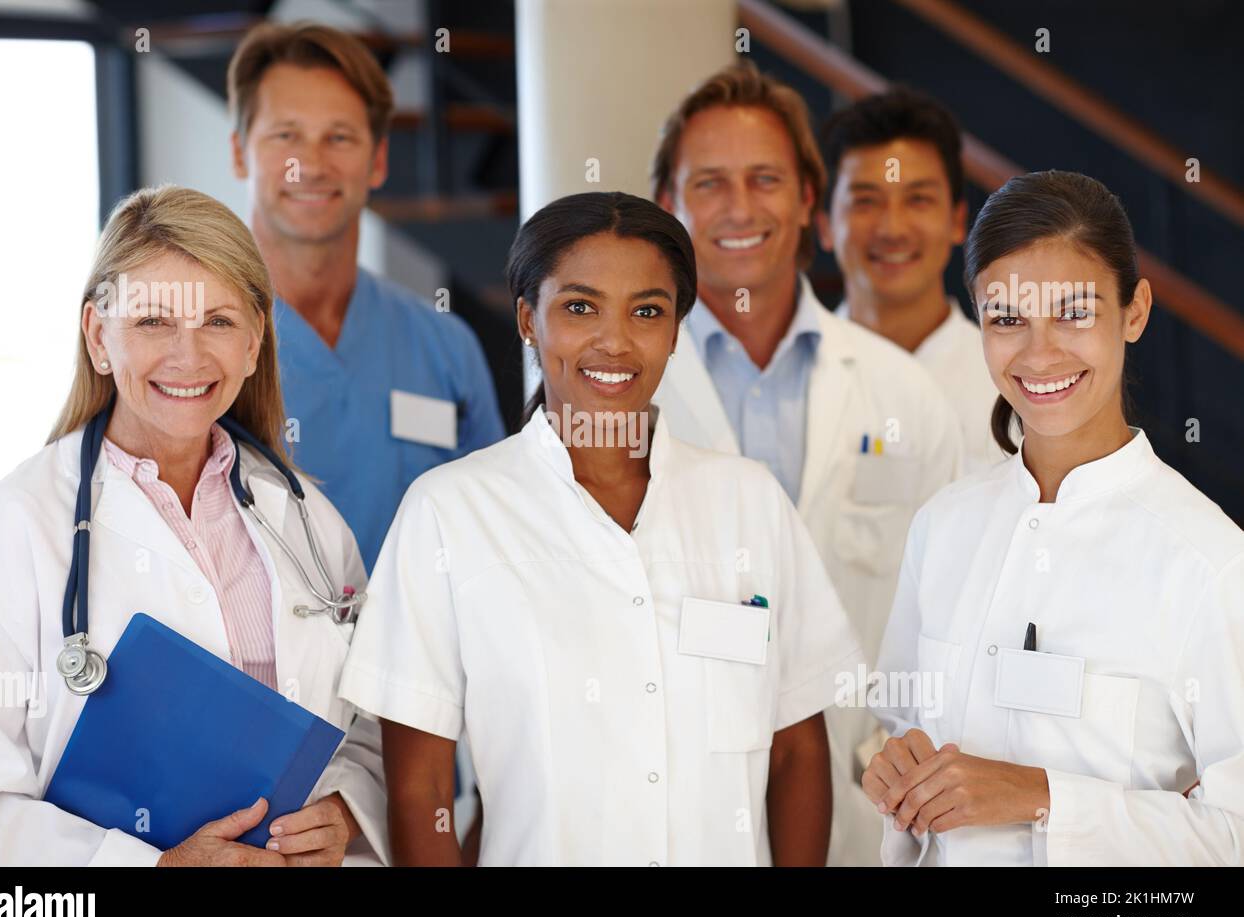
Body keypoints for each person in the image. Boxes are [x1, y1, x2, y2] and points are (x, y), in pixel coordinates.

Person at [338, 192, 864, 866]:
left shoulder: (749, 503)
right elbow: (421, 786)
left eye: (647, 310)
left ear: (676, 331)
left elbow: (795, 750)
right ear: (529, 320)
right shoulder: (450, 513)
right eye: (579, 307)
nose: (614, 340)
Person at [0, 185, 387, 866]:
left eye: (217, 321)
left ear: (253, 341)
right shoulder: (10, 532)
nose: (189, 356)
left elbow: (374, 725)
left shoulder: (308, 523)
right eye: (153, 322)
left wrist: (346, 808)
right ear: (99, 336)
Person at [865, 170, 1244, 866]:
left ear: (1134, 312)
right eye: (1007, 319)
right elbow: (898, 718)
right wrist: (893, 762)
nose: (1039, 354)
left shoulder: (1210, 563)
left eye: (1074, 312)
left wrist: (1041, 797)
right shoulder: (943, 527)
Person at [649, 62, 962, 866]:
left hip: (865, 801)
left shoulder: (904, 394)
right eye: (710, 183)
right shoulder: (616, 392)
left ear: (805, 204)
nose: (742, 208)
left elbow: (951, 620)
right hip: (667, 802)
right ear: (668, 208)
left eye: (766, 179)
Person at [228, 22, 505, 572]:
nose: (310, 163)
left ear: (377, 160)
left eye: (340, 137)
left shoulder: (445, 348)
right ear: (240, 153)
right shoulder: (198, 346)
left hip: (417, 655)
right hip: (251, 657)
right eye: (285, 135)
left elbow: (491, 528)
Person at [818, 87, 1003, 469]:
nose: (893, 228)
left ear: (956, 221)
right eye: (866, 201)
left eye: (918, 199)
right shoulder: (796, 381)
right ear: (825, 226)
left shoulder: (1008, 379)